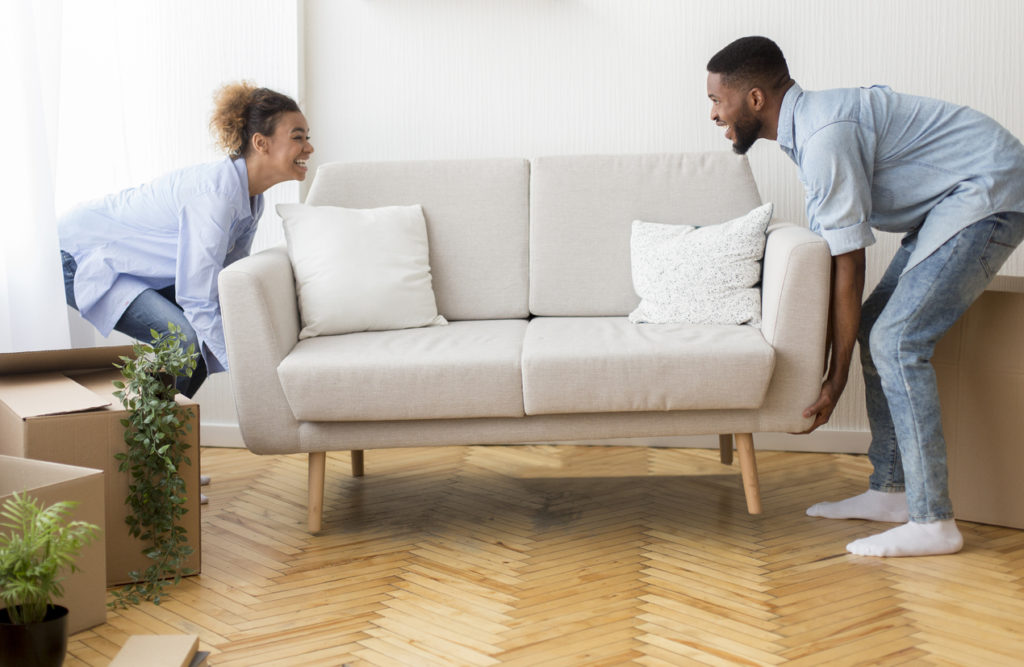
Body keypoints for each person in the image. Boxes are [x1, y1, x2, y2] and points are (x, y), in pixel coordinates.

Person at [705, 36, 1024, 557]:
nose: (715, 114)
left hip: (986, 192)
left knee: (897, 341)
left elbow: (848, 263)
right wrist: (834, 365)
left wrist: (835, 377)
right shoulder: (808, 130)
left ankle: (933, 521)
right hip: (955, 201)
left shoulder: (824, 136)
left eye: (719, 101)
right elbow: (838, 256)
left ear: (756, 99)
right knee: (880, 328)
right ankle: (892, 492)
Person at [60, 82, 314, 398]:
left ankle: (152, 433)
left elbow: (224, 285)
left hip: (128, 264)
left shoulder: (251, 199)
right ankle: (151, 438)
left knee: (199, 342)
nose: (308, 148)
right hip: (79, 254)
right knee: (184, 340)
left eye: (307, 138)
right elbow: (198, 298)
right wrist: (252, 375)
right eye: (298, 138)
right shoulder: (215, 197)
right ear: (261, 143)